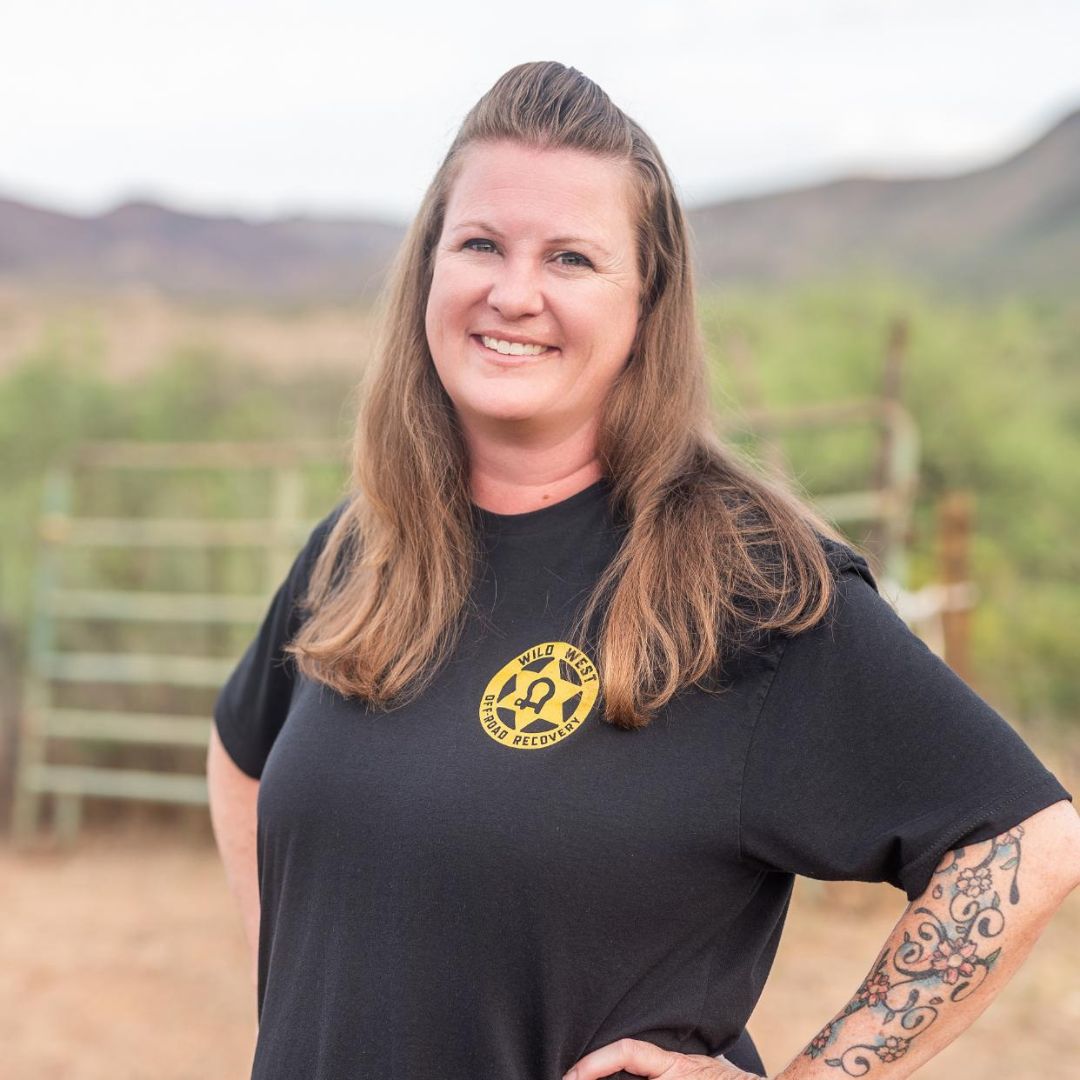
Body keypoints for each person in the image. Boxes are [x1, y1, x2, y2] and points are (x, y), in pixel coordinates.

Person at [207, 61, 1079, 1080]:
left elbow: (1024, 844)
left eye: (571, 258)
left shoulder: (746, 586)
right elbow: (243, 758)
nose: (514, 292)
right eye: (480, 243)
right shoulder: (362, 547)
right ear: (429, 271)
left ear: (646, 302)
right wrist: (309, 1002)